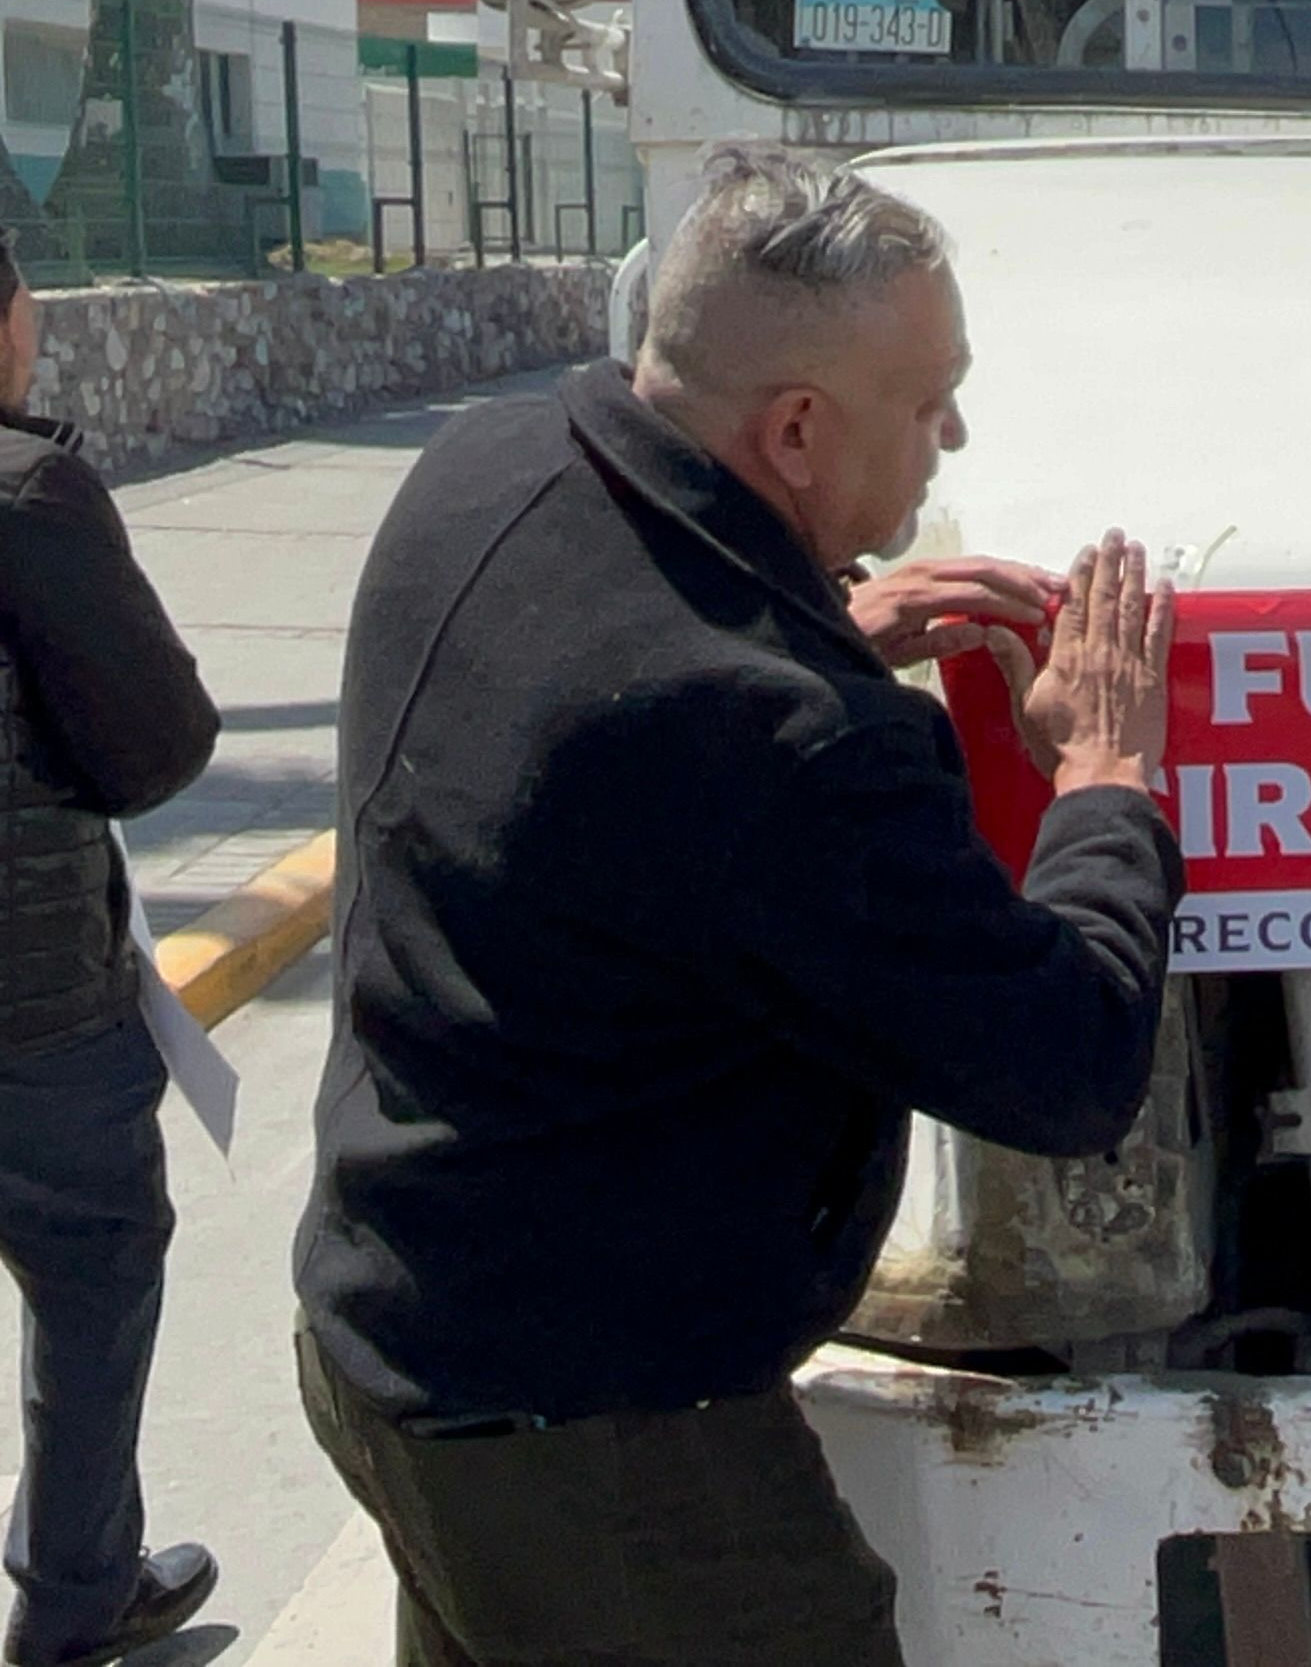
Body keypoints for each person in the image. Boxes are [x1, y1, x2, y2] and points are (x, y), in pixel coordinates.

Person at [295, 146, 1184, 1667]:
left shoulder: (485, 471)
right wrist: (1106, 780)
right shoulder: (787, 744)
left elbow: (620, 698)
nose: (949, 436)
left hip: (399, 1340)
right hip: (609, 1454)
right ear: (792, 429)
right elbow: (1069, 1060)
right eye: (927, 403)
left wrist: (820, 618)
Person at [0, 233, 222, 1666]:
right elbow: (161, 742)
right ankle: (71, 1609)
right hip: (33, 1020)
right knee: (94, 1275)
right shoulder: (27, 494)